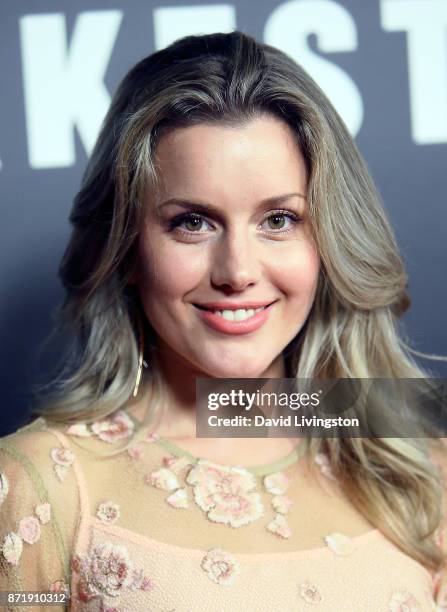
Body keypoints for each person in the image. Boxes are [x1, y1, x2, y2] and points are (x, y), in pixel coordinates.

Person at [0, 30, 446, 611]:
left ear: (328, 240)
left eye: (280, 219)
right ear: (128, 247)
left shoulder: (418, 469)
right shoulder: (40, 486)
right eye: (192, 222)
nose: (237, 271)